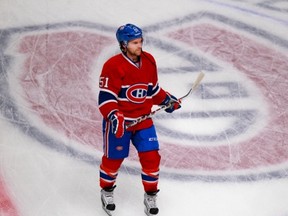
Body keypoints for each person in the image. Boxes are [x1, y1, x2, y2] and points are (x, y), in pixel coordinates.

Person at [98, 23, 181, 216]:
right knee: (113, 161)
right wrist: (114, 115)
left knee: (152, 157)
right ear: (124, 44)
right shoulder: (112, 66)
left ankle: (150, 196)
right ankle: (107, 191)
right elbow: (106, 98)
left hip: (143, 121)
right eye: (135, 42)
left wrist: (167, 100)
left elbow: (152, 90)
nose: (140, 45)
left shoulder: (149, 61)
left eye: (141, 41)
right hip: (120, 122)